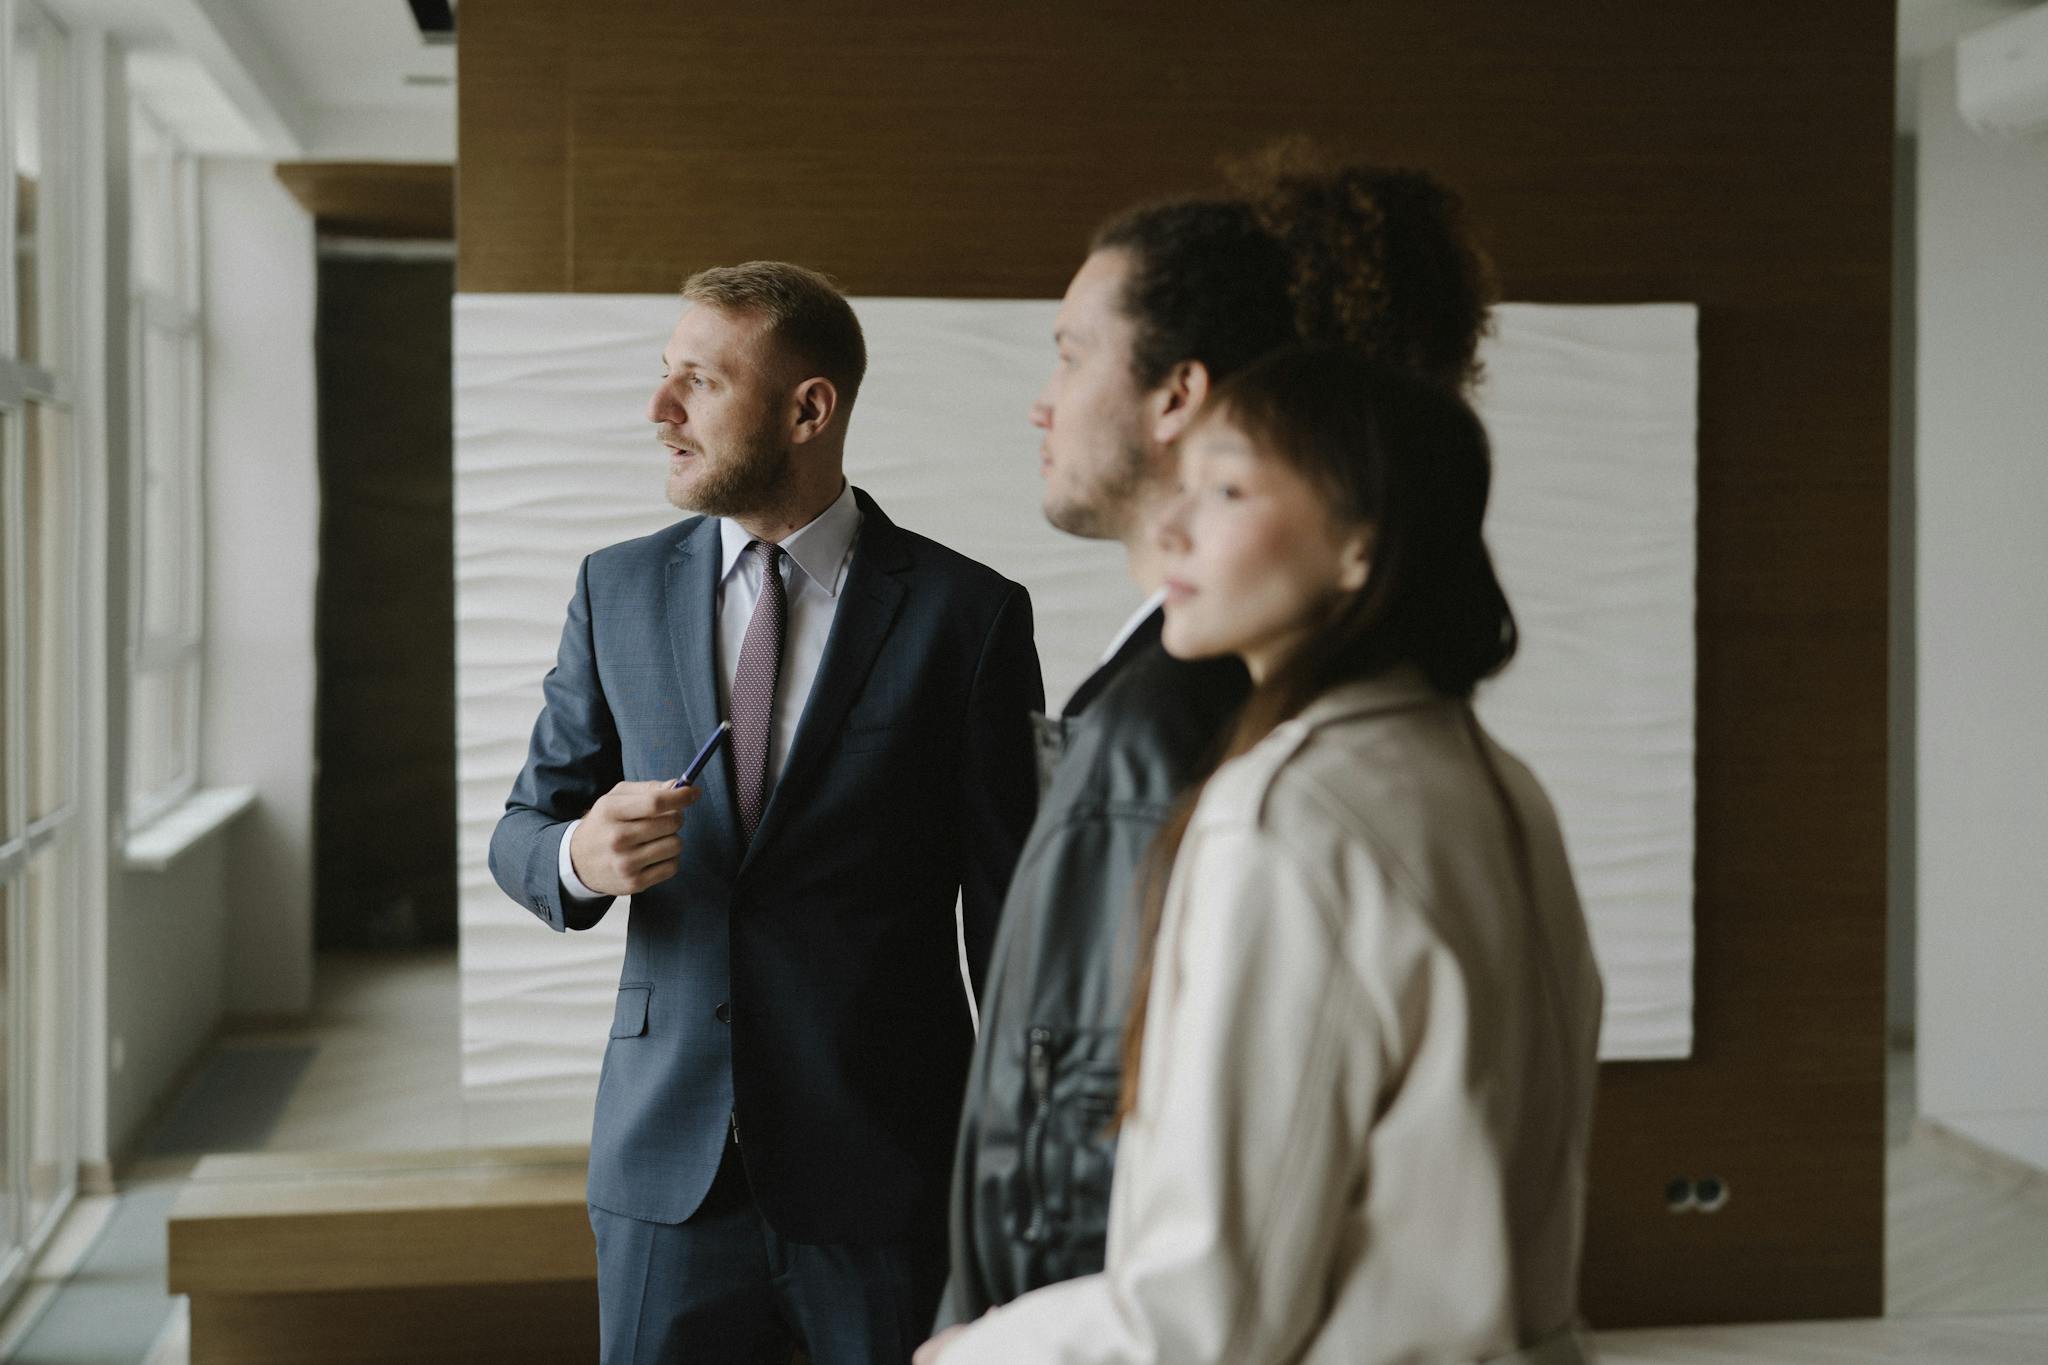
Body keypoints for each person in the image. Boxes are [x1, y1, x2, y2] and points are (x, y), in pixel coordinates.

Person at [920, 347, 1604, 1364]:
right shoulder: (1497, 779)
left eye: (1227, 489)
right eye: (1182, 486)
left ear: (1358, 546)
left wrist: (975, 1353)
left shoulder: (1280, 818)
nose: (1170, 527)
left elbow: (1206, 1314)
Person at [935, 154, 1497, 1328]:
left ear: (1179, 395)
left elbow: (1085, 1123)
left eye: (1069, 350)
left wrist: (1001, 1342)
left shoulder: (1184, 732)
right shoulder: (1437, 748)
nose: (1042, 397)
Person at [488, 261, 1044, 1365]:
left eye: (697, 382)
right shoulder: (615, 590)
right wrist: (580, 859)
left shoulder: (966, 616)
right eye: (663, 379)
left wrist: (1019, 1168)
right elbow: (522, 831)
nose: (660, 412)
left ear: (808, 408)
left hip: (886, 1178)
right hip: (665, 1174)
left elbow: (1015, 921)